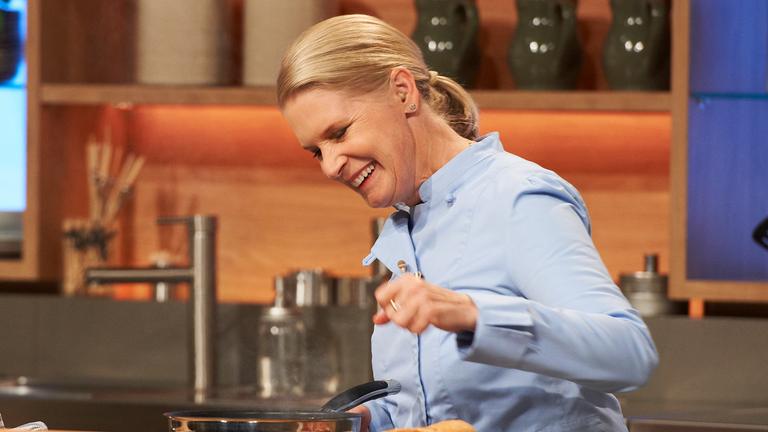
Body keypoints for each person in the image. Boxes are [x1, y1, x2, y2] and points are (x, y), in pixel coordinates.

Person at [277, 14, 658, 432]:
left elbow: (629, 354)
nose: (330, 166)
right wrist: (368, 420)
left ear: (402, 91)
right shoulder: (409, 224)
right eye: (317, 151)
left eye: (339, 133)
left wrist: (473, 314)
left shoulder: (516, 197)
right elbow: (433, 404)